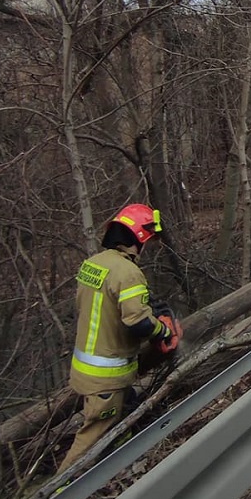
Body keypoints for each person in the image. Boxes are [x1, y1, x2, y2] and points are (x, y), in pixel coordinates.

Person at [56, 203, 181, 474]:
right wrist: (163, 330)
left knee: (132, 405)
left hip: (86, 367)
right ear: (139, 237)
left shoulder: (94, 264)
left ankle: (132, 459)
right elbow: (136, 321)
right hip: (106, 375)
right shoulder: (128, 272)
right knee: (90, 439)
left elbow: (109, 308)